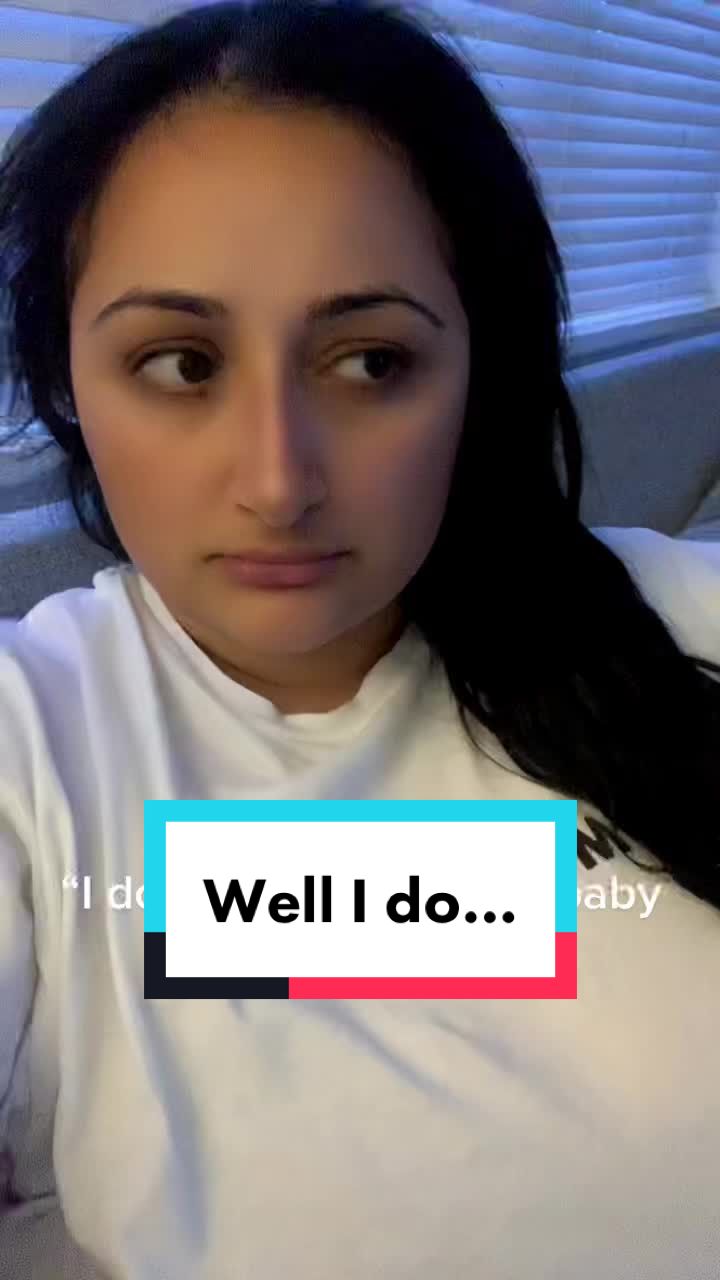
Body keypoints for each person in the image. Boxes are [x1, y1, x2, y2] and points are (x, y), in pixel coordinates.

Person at [0, 0, 718, 1276]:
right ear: (67, 382)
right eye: (180, 364)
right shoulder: (33, 740)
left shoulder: (679, 619)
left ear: (478, 370)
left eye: (372, 362)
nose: (279, 481)